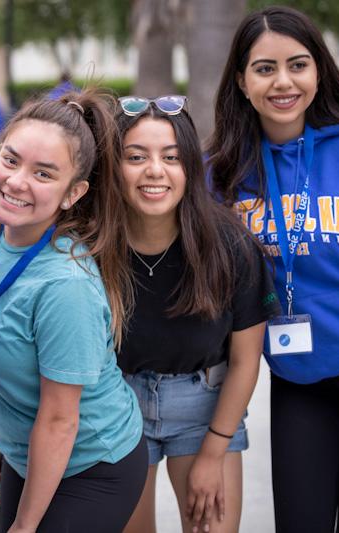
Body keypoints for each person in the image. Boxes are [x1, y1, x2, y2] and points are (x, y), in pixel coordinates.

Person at [207, 6, 339, 532]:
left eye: (297, 65)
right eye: (264, 68)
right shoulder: (223, 174)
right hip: (299, 382)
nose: (283, 82)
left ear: (318, 71)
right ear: (241, 79)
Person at [0, 89, 145, 533]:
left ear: (73, 193)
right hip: (29, 454)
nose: (16, 181)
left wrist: (25, 525)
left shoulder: (65, 286)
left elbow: (59, 419)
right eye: (10, 160)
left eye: (43, 173)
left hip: (91, 463)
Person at [113, 96, 279, 533]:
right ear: (114, 167)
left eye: (171, 157)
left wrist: (214, 451)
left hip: (206, 404)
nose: (155, 170)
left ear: (190, 165)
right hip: (116, 405)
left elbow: (246, 360)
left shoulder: (229, 245)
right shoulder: (95, 247)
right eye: (136, 157)